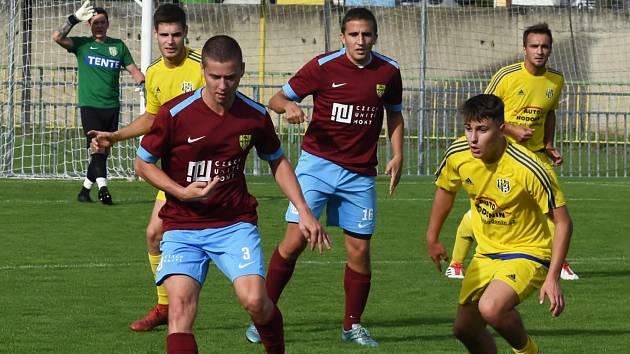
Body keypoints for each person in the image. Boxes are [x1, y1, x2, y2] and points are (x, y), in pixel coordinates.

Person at [135, 34, 327, 354]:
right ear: (203, 73)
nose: (222, 85)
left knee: (255, 301)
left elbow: (276, 161)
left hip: (233, 224)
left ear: (241, 72)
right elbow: (143, 164)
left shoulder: (254, 116)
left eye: (230, 77)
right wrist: (180, 191)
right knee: (180, 310)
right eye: (214, 77)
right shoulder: (175, 113)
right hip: (183, 225)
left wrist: (304, 209)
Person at [245, 7, 404, 347]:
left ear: (375, 36)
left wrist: (398, 153)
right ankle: (262, 319)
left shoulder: (389, 71)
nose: (360, 41)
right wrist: (287, 108)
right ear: (343, 36)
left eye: (367, 34)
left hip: (360, 173)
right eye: (354, 34)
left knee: (360, 250)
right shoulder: (323, 66)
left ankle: (352, 326)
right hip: (316, 166)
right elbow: (276, 97)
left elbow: (394, 113)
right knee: (294, 242)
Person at [426, 93, 573, 354]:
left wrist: (553, 277)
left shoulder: (529, 167)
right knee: (465, 330)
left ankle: (528, 352)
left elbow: (562, 222)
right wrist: (433, 237)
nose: (473, 138)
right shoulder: (458, 154)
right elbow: (446, 191)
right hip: (486, 254)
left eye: (482, 130)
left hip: (528, 252)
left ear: (502, 129)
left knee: (491, 308)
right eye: (468, 129)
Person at [89, 4, 205, 331]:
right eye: (164, 35)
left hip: (206, 171)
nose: (170, 41)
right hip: (172, 171)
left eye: (176, 34)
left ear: (186, 34)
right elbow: (152, 117)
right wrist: (116, 135)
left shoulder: (201, 68)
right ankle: (165, 307)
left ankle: (258, 308)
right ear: (155, 35)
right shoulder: (153, 72)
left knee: (210, 243)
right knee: (154, 235)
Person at [445, 23, 579, 281]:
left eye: (544, 46)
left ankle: (558, 262)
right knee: (488, 210)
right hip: (503, 156)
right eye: (534, 46)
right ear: (524, 49)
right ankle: (458, 262)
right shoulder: (506, 76)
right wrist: (511, 130)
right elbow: (482, 114)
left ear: (550, 50)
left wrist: (549, 144)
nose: (539, 51)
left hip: (536, 157)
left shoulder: (556, 80)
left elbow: (550, 112)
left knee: (551, 209)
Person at [52, 0, 145, 205]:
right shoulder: (82, 45)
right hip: (90, 106)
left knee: (104, 150)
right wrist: (74, 19)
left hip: (111, 106)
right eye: (95, 23)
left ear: (108, 24)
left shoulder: (118, 46)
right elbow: (57, 37)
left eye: (103, 22)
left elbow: (134, 70)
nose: (99, 26)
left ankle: (84, 192)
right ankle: (104, 189)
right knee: (96, 146)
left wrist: (144, 83)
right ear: (89, 25)